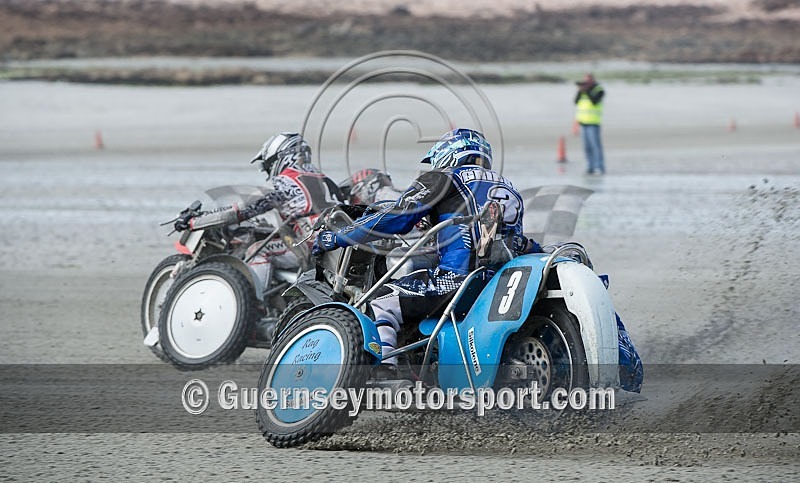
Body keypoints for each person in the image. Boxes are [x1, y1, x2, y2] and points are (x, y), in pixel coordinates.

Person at [312, 128, 541, 371]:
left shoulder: (446, 176)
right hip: (499, 285)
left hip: (456, 282)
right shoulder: (510, 188)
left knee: (382, 300)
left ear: (449, 153)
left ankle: (385, 373)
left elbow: (398, 218)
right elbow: (513, 240)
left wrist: (338, 237)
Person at [175, 131, 343, 290]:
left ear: (281, 157)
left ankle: (252, 304)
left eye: (268, 165)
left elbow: (240, 210)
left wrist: (195, 221)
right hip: (340, 241)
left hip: (313, 242)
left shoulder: (286, 181)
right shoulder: (325, 180)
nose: (269, 172)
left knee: (257, 250)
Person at [574, 73, 606, 175]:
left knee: (595, 146)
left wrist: (586, 90)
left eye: (588, 81)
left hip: (593, 123)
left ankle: (600, 167)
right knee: (587, 147)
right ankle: (590, 167)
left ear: (593, 80)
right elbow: (575, 102)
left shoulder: (599, 90)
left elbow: (594, 101)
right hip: (583, 123)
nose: (586, 83)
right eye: (585, 81)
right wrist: (580, 90)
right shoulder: (582, 91)